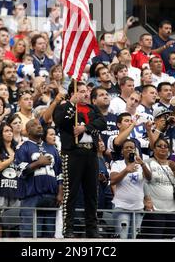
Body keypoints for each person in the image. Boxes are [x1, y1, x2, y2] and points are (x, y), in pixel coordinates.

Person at [53, 80, 107, 238]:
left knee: (92, 193)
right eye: (81, 91)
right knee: (71, 193)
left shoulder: (92, 108)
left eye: (86, 91)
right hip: (72, 154)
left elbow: (102, 123)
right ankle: (68, 228)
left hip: (91, 154)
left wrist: (85, 128)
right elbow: (60, 121)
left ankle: (91, 228)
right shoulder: (64, 107)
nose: (85, 93)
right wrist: (71, 104)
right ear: (72, 93)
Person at [15, 118, 63, 237]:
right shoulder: (22, 147)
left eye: (40, 125)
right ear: (27, 131)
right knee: (30, 233)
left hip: (51, 196)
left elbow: (59, 173)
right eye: (34, 125)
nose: (39, 126)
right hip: (31, 196)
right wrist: (38, 163)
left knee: (48, 234)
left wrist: (60, 193)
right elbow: (19, 171)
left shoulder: (52, 148)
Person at [142, 137, 175, 239]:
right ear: (154, 149)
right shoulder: (147, 162)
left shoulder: (173, 164)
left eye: (166, 146)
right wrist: (147, 198)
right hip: (156, 210)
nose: (163, 148)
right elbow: (143, 181)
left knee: (172, 238)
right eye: (159, 146)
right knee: (155, 238)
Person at [110, 139, 151, 239]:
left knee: (134, 237)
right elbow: (113, 181)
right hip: (121, 206)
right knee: (123, 237)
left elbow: (149, 178)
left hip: (138, 207)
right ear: (122, 151)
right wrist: (126, 170)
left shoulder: (141, 164)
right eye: (126, 147)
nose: (129, 149)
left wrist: (142, 164)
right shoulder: (117, 164)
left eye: (132, 147)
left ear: (135, 150)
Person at [0, 122, 20, 219]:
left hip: (15, 190)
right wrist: (11, 159)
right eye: (6, 131)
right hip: (0, 190)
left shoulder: (17, 150)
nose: (10, 133)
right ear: (0, 134)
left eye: (11, 131)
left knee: (14, 221)